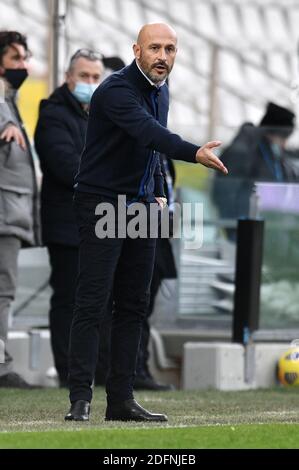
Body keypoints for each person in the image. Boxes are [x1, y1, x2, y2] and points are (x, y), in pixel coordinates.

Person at [65, 22, 227, 423]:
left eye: (170, 49)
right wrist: (194, 153)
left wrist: (159, 189)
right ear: (136, 50)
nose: (163, 56)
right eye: (155, 48)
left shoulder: (161, 88)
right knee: (93, 301)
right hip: (102, 201)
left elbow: (149, 152)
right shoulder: (117, 89)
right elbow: (148, 132)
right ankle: (80, 399)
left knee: (135, 304)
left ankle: (121, 399)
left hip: (141, 207)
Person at [34, 49, 104, 387]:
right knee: (69, 301)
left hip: (100, 222)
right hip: (67, 225)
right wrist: (106, 177)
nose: (90, 83)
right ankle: (68, 372)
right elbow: (64, 165)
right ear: (68, 77)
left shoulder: (98, 114)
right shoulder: (52, 113)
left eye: (95, 77)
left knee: (98, 301)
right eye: (84, 76)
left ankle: (96, 370)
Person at [0, 31, 40, 388]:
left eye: (25, 58)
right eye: (15, 59)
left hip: (11, 212)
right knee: (2, 290)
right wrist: (5, 123)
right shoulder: (1, 103)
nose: (22, 66)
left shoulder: (9, 101)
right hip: (3, 213)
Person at [212, 102, 299, 240]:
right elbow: (226, 189)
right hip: (245, 228)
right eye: (282, 139)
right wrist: (234, 228)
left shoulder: (272, 156)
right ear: (271, 133)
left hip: (268, 229)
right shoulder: (246, 151)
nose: (284, 144)